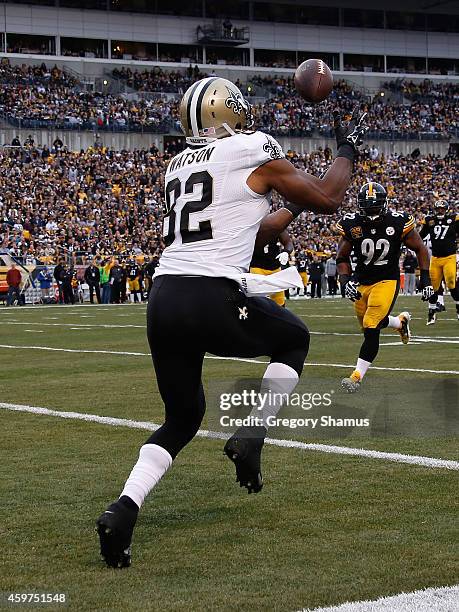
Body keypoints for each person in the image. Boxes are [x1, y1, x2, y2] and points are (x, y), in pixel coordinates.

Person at [96, 76, 368, 568]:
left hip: (164, 298)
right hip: (210, 295)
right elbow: (329, 197)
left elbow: (250, 224)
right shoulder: (252, 147)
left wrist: (286, 206)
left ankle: (123, 510)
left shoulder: (177, 165)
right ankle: (251, 435)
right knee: (294, 339)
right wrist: (347, 154)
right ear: (232, 110)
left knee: (181, 418)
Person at [336, 182, 433, 393]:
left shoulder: (397, 222)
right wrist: (346, 281)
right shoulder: (352, 224)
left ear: (384, 204)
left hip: (387, 280)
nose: (371, 210)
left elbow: (421, 249)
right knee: (369, 326)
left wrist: (425, 280)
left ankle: (356, 377)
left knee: (372, 326)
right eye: (367, 206)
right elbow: (341, 257)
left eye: (375, 205)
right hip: (362, 281)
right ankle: (400, 322)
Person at [419, 199, 459, 325]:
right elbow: (420, 236)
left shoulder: (454, 219)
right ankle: (431, 313)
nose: (440, 210)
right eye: (439, 209)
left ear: (446, 209)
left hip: (449, 257)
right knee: (433, 287)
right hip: (435, 259)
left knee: (451, 282)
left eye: (442, 208)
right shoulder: (429, 221)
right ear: (436, 210)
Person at [249, 231, 293, 307]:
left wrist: (286, 252)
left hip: (274, 268)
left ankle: (279, 318)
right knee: (258, 300)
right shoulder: (252, 226)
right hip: (257, 267)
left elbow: (288, 242)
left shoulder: (276, 226)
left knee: (279, 301)